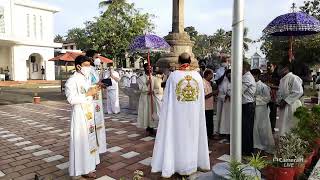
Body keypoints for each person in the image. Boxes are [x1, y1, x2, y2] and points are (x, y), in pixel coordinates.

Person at [151, 52, 210, 178]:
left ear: (178, 61)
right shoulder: (197, 77)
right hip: (194, 115)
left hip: (177, 115)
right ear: (190, 61)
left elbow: (167, 97)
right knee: (193, 137)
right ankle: (193, 164)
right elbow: (201, 98)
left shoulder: (173, 76)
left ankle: (175, 165)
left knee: (177, 138)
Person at [65, 55, 100, 179]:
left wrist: (94, 93)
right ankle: (79, 170)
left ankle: (89, 167)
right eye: (86, 65)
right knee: (80, 142)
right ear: (78, 66)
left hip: (89, 114)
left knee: (89, 141)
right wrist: (87, 94)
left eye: (89, 65)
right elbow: (71, 99)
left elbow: (89, 94)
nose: (88, 68)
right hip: (79, 114)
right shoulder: (72, 80)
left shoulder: (86, 79)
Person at [85, 49, 107, 154]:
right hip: (91, 98)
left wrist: (101, 83)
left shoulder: (93, 69)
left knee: (98, 121)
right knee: (92, 121)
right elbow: (88, 84)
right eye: (95, 57)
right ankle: (92, 146)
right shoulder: (86, 69)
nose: (97, 59)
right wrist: (98, 84)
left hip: (97, 97)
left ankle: (100, 146)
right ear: (90, 58)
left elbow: (96, 81)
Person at [276, 61, 303, 136]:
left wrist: (285, 101)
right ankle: (285, 145)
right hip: (284, 105)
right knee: (283, 128)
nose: (278, 70)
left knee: (291, 127)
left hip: (292, 104)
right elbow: (280, 92)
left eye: (280, 68)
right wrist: (278, 101)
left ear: (286, 68)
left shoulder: (293, 78)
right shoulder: (282, 79)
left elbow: (299, 91)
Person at [251, 69, 275, 153]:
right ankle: (255, 144)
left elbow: (267, 98)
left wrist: (256, 101)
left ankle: (264, 145)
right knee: (254, 127)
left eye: (253, 75)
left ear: (257, 75)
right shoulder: (251, 84)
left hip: (261, 108)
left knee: (262, 127)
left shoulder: (263, 86)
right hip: (252, 108)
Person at [137, 63, 157, 136]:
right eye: (148, 68)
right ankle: (148, 127)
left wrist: (153, 91)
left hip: (152, 97)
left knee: (152, 112)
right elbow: (140, 88)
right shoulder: (140, 78)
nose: (150, 69)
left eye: (151, 68)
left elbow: (157, 88)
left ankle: (152, 126)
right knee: (146, 112)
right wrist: (146, 83)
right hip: (145, 97)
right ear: (145, 68)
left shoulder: (154, 78)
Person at [242, 61, 256, 156]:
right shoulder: (246, 76)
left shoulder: (247, 77)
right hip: (247, 105)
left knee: (246, 128)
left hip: (247, 105)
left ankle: (247, 150)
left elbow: (238, 90)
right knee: (245, 128)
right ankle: (245, 148)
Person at [261, 62, 280, 133]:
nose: (268, 68)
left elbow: (280, 87)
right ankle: (263, 128)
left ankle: (272, 129)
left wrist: (271, 86)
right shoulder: (263, 76)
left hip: (274, 98)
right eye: (267, 66)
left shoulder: (278, 76)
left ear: (274, 66)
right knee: (263, 113)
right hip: (264, 98)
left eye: (270, 66)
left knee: (273, 114)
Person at [214, 58, 229, 135]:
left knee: (226, 114)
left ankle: (226, 131)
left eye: (225, 62)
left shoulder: (230, 69)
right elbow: (217, 81)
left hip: (228, 95)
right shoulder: (219, 71)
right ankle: (218, 131)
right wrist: (224, 74)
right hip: (221, 94)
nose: (224, 63)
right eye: (223, 62)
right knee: (219, 113)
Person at [219, 69, 231, 138]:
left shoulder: (236, 81)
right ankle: (226, 133)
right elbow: (220, 94)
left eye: (230, 74)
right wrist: (225, 96)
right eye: (228, 74)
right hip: (226, 103)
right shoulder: (224, 83)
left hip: (233, 104)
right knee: (225, 119)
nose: (229, 75)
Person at [203, 69, 214, 139]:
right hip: (205, 107)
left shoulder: (208, 82)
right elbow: (204, 96)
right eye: (211, 75)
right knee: (207, 122)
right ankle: (207, 136)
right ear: (208, 75)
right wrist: (213, 93)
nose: (212, 76)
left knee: (210, 121)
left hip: (210, 106)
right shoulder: (203, 83)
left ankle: (210, 135)